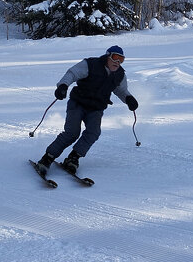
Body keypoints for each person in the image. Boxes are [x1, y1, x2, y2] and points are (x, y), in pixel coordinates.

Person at [35, 46, 138, 175]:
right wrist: (63, 86)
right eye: (115, 58)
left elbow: (121, 90)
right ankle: (47, 158)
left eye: (121, 59)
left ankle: (74, 157)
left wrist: (129, 99)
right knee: (72, 133)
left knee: (93, 132)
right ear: (107, 56)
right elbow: (72, 73)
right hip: (78, 103)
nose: (118, 62)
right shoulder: (91, 64)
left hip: (96, 108)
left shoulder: (119, 75)